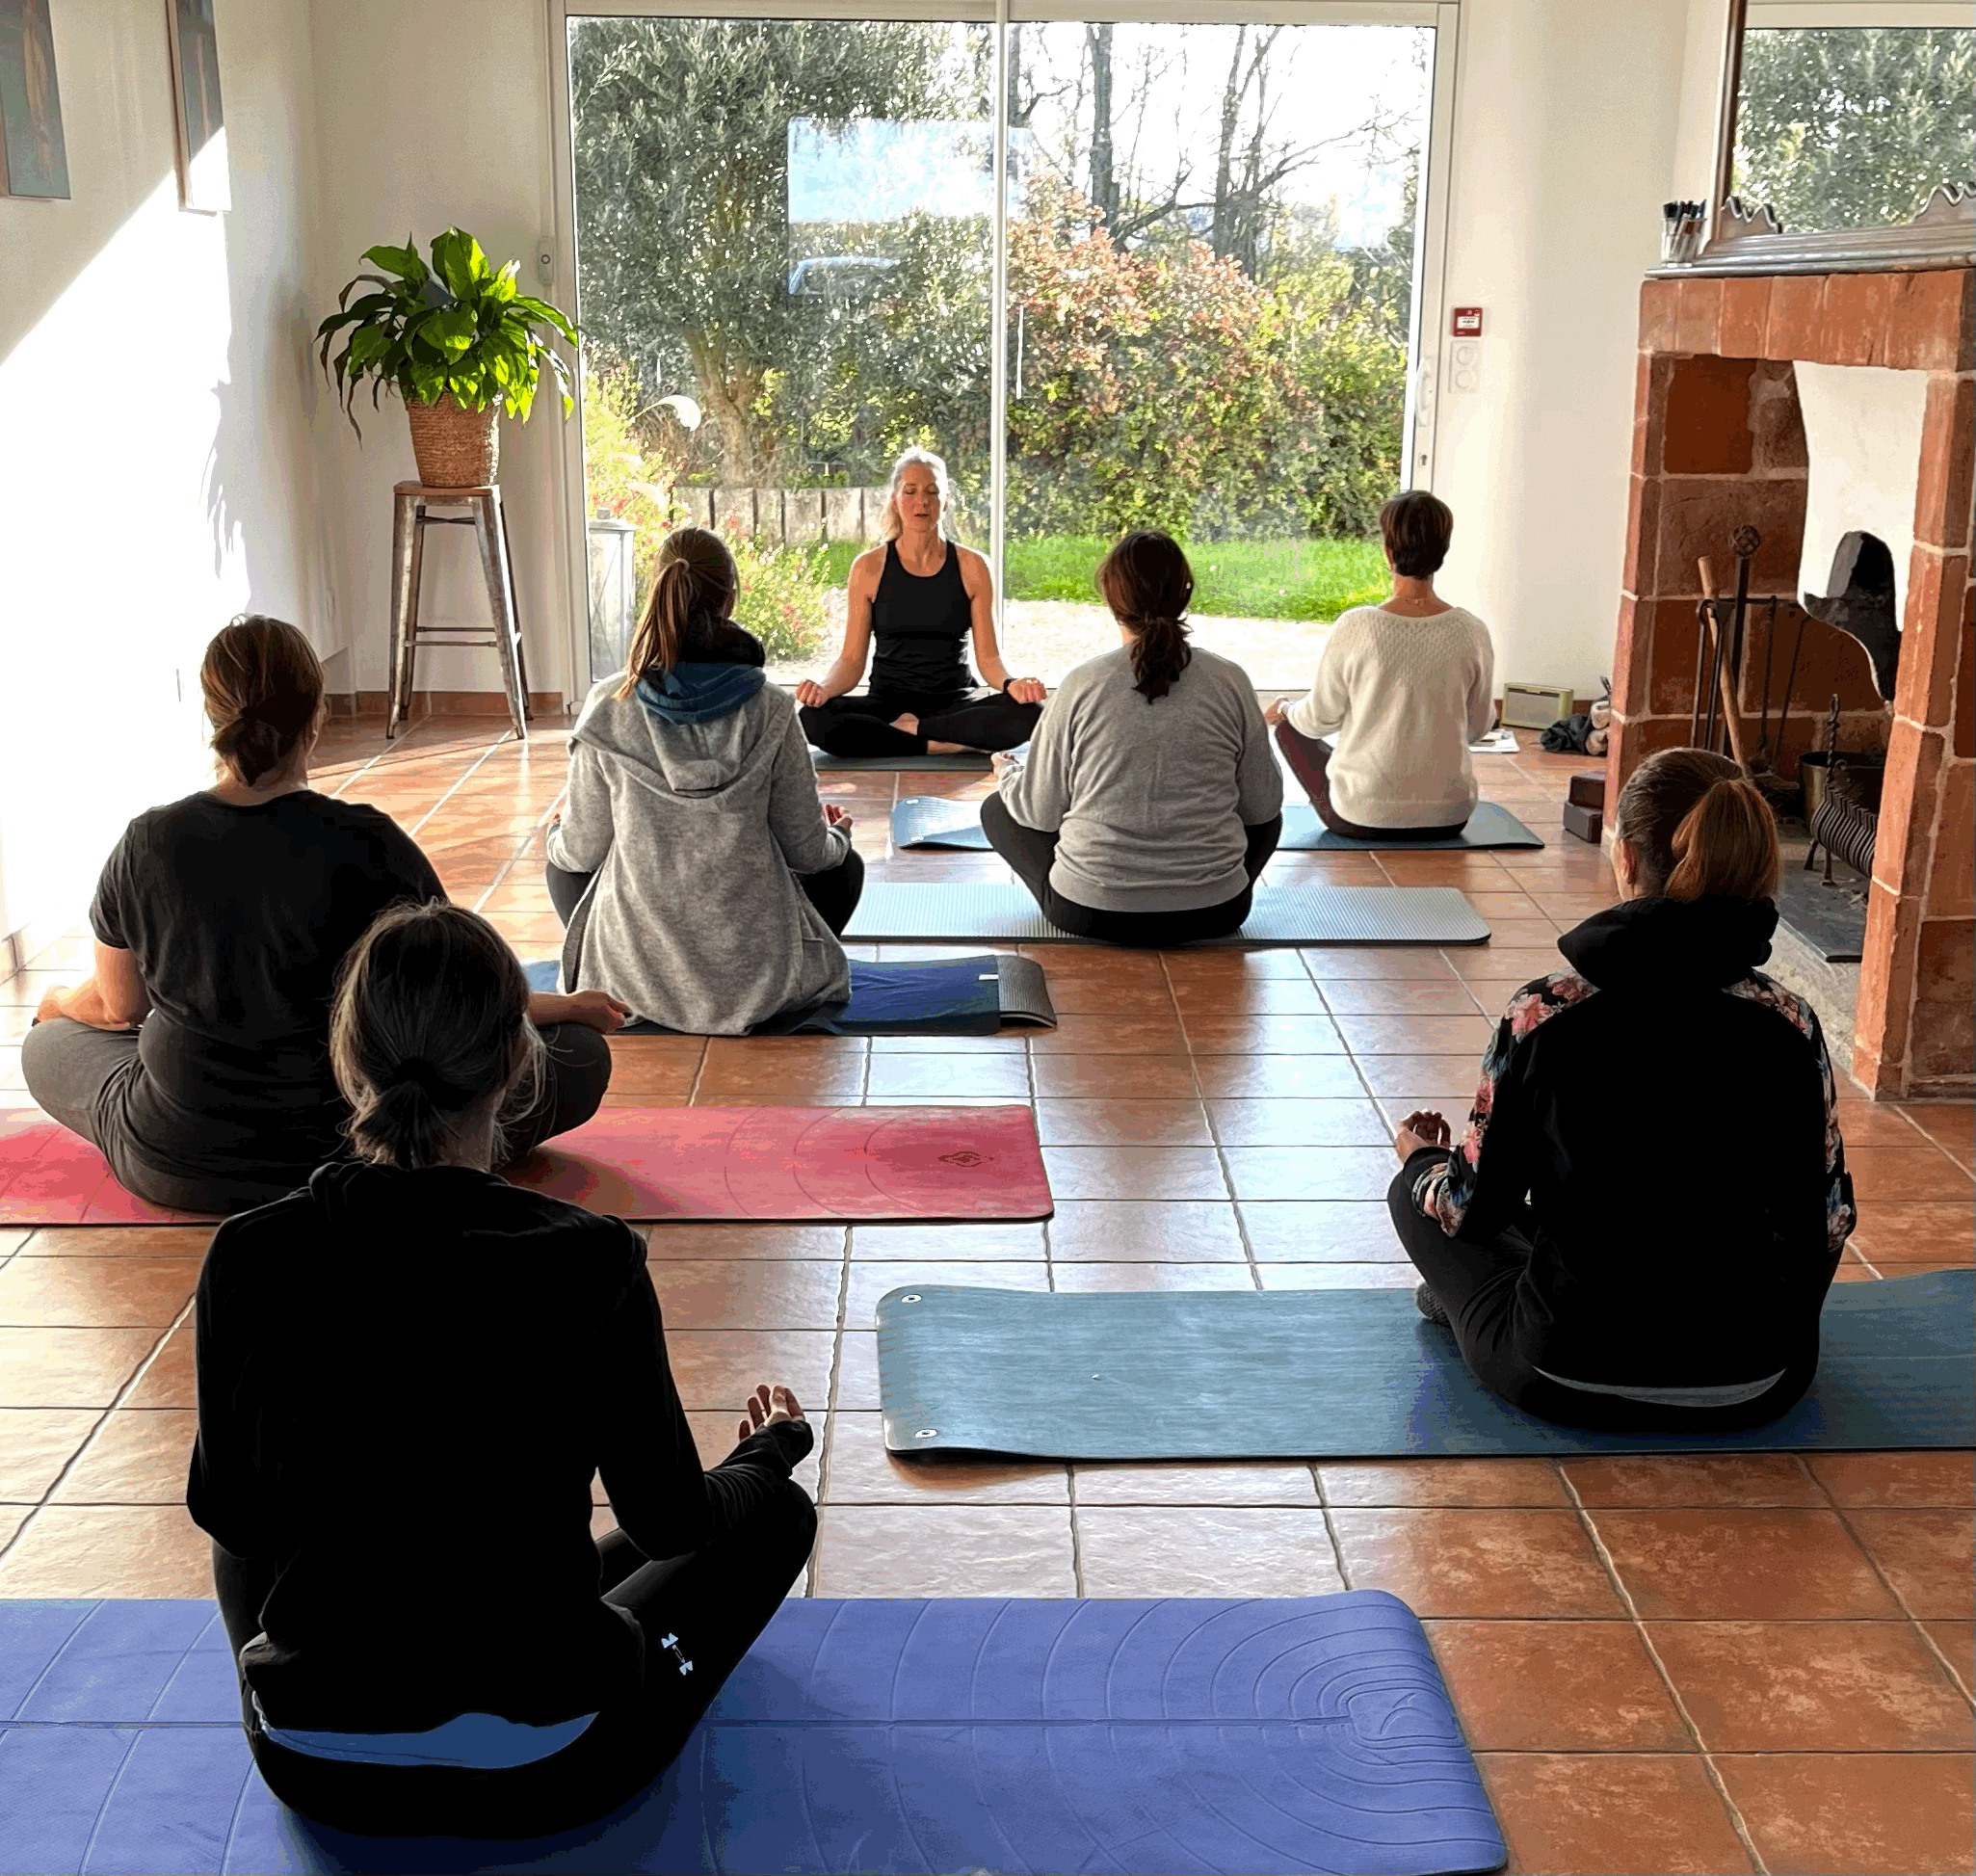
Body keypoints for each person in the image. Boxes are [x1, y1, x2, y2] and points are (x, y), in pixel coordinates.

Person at [191, 902, 816, 1839]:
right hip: (554, 1763)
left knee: (261, 1525)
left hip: (308, 1763)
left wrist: (287, 1675)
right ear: (519, 1063)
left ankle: (310, 1691)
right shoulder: (590, 1257)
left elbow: (235, 1521)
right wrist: (765, 1459)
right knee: (771, 1514)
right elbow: (672, 1518)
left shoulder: (248, 1254)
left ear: (348, 1061)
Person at [22, 617, 619, 1215]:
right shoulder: (370, 844)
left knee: (47, 1046)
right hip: (370, 1150)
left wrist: (56, 1007)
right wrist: (567, 1007)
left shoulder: (148, 841)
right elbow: (460, 997)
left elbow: (116, 1006)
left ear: (213, 716)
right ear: (316, 717)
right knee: (582, 1057)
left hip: (178, 1158)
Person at [1387, 748, 1857, 1432]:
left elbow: (1473, 1209)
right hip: (1757, 1380)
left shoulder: (1542, 1013)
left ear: (1627, 858)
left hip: (1561, 1371)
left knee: (1418, 1195)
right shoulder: (1788, 1024)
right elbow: (1827, 1219)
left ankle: (1467, 1297)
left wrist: (1420, 1164)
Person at [546, 526, 862, 1035]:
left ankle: (608, 983)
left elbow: (579, 854)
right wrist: (840, 834)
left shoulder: (607, 707)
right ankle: (772, 982)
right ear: (731, 598)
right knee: (845, 867)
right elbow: (808, 853)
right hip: (757, 983)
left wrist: (556, 832)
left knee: (561, 866)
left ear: (658, 590)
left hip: (632, 980)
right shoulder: (772, 709)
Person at [982, 530, 1283, 946]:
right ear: (1185, 593)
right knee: (1272, 820)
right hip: (1216, 913)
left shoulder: (1081, 684)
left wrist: (1008, 775)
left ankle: (1092, 883)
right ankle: (1208, 887)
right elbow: (1263, 804)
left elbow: (1039, 811)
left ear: (1110, 598)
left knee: (999, 809)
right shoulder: (1230, 680)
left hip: (1092, 913)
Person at [1265, 490, 1495, 839]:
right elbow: (1478, 728)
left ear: (1388, 551)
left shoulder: (1356, 626)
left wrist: (1285, 708)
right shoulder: (1472, 630)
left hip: (1361, 817)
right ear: (1442, 553)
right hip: (1450, 816)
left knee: (1289, 728)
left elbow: (1317, 720)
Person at [796, 447, 1045, 757]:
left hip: (953, 704)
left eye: (932, 491)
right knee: (813, 718)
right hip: (886, 705)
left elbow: (990, 659)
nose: (922, 501)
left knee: (1029, 711)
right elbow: (850, 661)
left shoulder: (973, 566)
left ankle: (907, 736)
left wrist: (1013, 683)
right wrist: (825, 689)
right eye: (910, 491)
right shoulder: (868, 567)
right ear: (895, 500)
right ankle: (945, 743)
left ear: (945, 502)